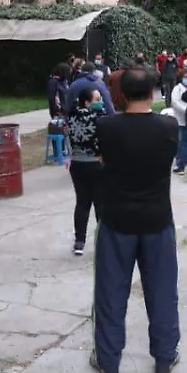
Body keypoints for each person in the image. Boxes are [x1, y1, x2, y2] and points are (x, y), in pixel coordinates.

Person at [91, 66, 181, 373]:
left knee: (110, 293)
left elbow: (101, 160)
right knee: (162, 291)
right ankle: (165, 356)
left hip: (117, 220)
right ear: (154, 93)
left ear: (121, 94)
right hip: (157, 220)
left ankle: (109, 360)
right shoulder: (169, 127)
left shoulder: (106, 126)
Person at [67, 86, 105, 255]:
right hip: (96, 163)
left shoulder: (71, 116)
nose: (101, 102)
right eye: (97, 99)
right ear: (87, 102)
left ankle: (79, 242)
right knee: (100, 203)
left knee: (82, 203)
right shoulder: (100, 117)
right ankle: (103, 241)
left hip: (77, 164)